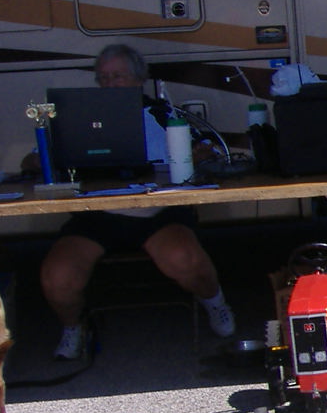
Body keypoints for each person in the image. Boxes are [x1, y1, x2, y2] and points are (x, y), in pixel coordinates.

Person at [40, 44, 235, 359]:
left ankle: (215, 303)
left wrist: (199, 154)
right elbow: (37, 158)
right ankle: (73, 327)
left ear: (138, 79)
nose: (110, 84)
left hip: (156, 213)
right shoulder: (80, 115)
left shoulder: (160, 113)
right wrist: (41, 159)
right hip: (96, 215)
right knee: (57, 277)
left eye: (118, 76)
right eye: (104, 78)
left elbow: (207, 149)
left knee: (184, 259)